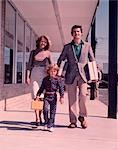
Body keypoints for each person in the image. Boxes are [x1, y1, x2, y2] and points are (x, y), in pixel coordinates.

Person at [57, 25, 95, 129]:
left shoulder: (87, 46)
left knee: (83, 96)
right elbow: (61, 60)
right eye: (74, 32)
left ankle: (82, 117)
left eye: (78, 31)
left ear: (81, 33)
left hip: (83, 76)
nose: (76, 33)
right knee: (72, 99)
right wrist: (61, 71)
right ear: (72, 34)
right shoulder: (67, 47)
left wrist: (94, 74)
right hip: (70, 75)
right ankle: (73, 121)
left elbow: (92, 60)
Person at [26, 35, 52, 126]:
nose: (43, 43)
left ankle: (40, 117)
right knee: (35, 96)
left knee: (41, 97)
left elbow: (51, 66)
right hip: (34, 73)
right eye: (41, 41)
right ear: (38, 42)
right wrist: (27, 76)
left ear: (47, 43)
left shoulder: (48, 53)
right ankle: (37, 118)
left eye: (45, 42)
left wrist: (51, 77)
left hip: (44, 74)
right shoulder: (33, 52)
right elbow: (29, 65)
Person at [36, 64, 64, 132]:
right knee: (45, 109)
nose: (53, 73)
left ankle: (50, 125)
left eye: (54, 71)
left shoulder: (58, 79)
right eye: (51, 71)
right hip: (46, 96)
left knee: (52, 111)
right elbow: (42, 87)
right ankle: (46, 123)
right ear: (48, 71)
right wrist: (38, 94)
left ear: (56, 72)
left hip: (54, 96)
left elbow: (61, 88)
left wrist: (62, 97)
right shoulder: (45, 79)